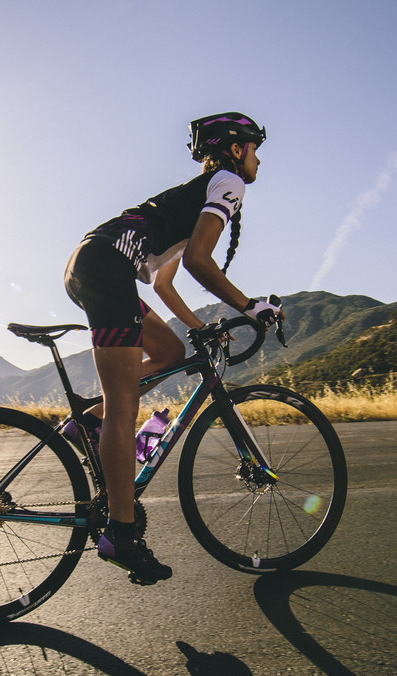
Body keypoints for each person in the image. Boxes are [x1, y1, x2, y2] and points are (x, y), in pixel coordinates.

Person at [62, 112, 284, 584]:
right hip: (107, 267)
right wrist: (251, 307)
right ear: (236, 148)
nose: (259, 160)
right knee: (127, 409)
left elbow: (165, 283)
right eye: (255, 149)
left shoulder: (197, 195)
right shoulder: (228, 182)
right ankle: (122, 534)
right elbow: (203, 262)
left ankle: (89, 421)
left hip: (97, 261)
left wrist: (200, 326)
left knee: (171, 353)